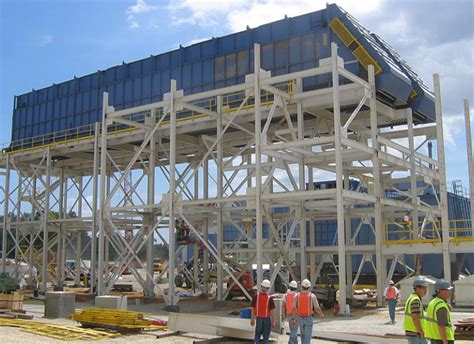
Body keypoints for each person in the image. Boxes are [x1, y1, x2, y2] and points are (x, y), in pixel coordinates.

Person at [291, 279, 325, 344]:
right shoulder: (312, 296)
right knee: (308, 337)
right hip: (308, 318)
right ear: (309, 287)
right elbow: (317, 308)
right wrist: (321, 314)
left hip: (299, 318)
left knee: (303, 335)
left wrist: (293, 319)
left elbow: (294, 308)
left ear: (301, 286)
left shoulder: (297, 296)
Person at [425, 279, 455, 344]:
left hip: (434, 338)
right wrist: (445, 342)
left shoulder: (432, 302)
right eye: (448, 290)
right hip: (444, 339)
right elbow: (441, 326)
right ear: (440, 291)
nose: (450, 292)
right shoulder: (441, 306)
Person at [403, 276, 431, 344]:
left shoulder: (412, 297)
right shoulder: (415, 300)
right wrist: (421, 332)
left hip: (413, 333)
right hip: (416, 334)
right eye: (424, 288)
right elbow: (415, 317)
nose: (426, 290)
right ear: (417, 288)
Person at [250, 279, 275, 344]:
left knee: (257, 334)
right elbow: (272, 311)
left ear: (261, 287)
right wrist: (273, 321)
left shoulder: (256, 296)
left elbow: (252, 307)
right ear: (268, 288)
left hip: (258, 318)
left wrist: (252, 318)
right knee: (266, 335)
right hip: (267, 319)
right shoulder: (270, 298)